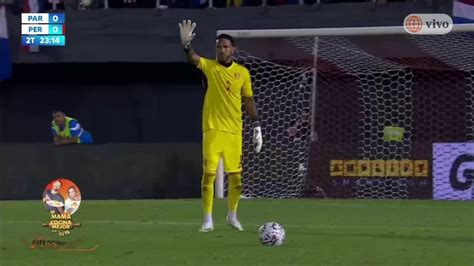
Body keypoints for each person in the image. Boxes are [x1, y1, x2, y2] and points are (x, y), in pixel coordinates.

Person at [178, 20, 263, 232]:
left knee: (236, 178)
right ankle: (207, 219)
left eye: (225, 46)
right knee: (209, 175)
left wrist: (257, 127)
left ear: (233, 49)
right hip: (213, 129)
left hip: (234, 132)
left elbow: (249, 100)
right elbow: (192, 58)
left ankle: (232, 216)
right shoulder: (210, 66)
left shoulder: (242, 73)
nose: (221, 50)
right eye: (218, 46)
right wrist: (187, 46)